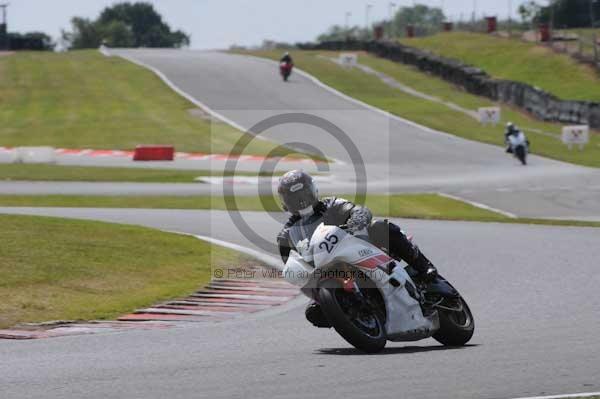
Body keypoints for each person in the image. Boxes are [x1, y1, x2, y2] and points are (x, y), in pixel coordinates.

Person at [276, 170, 438, 328]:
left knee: (381, 226)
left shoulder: (331, 204)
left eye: (303, 194)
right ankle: (353, 313)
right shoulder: (286, 235)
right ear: (286, 202)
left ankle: (423, 266)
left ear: (312, 190)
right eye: (294, 198)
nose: (301, 201)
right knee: (314, 313)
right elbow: (291, 264)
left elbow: (357, 210)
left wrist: (357, 220)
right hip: (326, 272)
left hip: (358, 250)